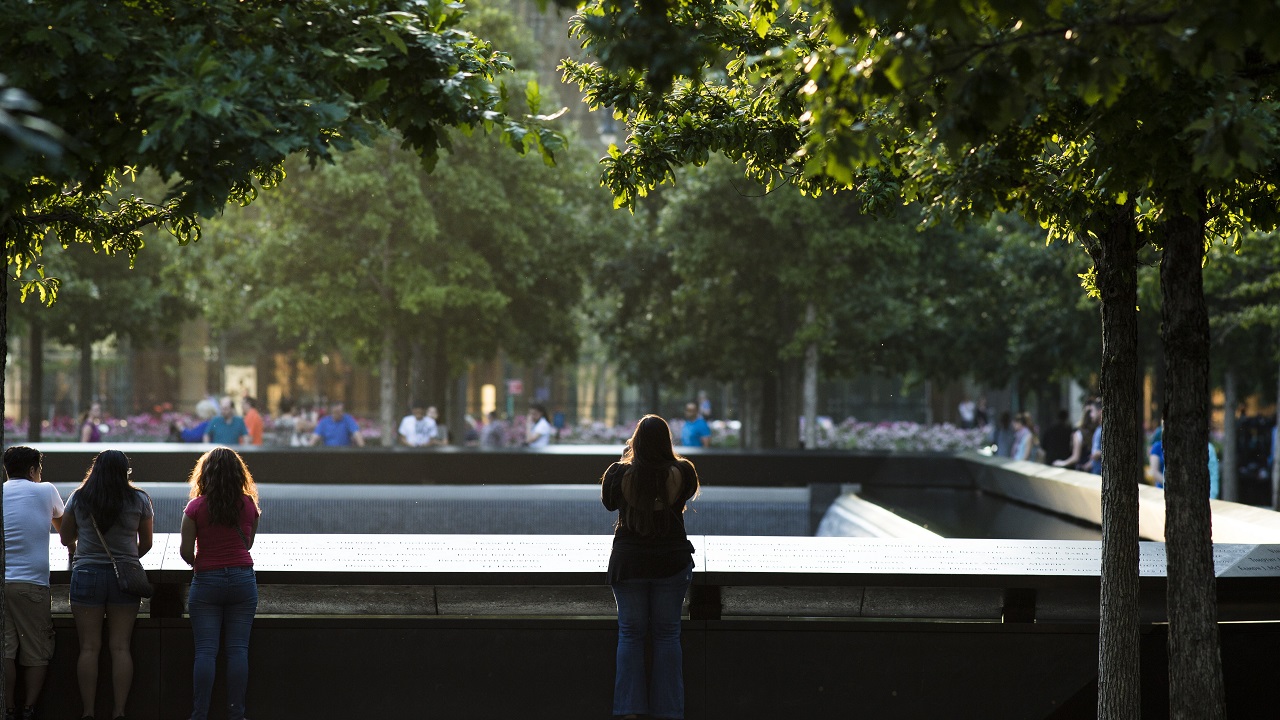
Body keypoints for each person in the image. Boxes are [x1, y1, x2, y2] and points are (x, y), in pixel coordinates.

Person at [600, 415, 700, 720]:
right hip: (671, 562)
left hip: (629, 563)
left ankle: (629, 710)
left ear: (636, 441)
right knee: (668, 634)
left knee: (630, 634)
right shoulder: (683, 472)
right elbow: (681, 496)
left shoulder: (618, 474)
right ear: (666, 441)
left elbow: (608, 503)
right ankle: (669, 711)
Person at [59, 449, 154, 720]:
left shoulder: (79, 497)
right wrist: (126, 559)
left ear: (96, 469)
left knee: (89, 647)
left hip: (87, 574)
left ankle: (88, 712)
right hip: (124, 579)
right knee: (121, 647)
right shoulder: (139, 499)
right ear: (126, 471)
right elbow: (145, 543)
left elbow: (66, 537)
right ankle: (119, 711)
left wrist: (82, 547)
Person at [180, 447, 261, 720]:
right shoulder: (249, 505)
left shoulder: (195, 507)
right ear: (239, 474)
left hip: (207, 581)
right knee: (238, 650)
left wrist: (202, 562)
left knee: (205, 650)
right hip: (242, 579)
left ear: (206, 474)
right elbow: (247, 543)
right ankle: (236, 714)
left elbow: (185, 552)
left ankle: (199, 714)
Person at [3, 446, 64, 720]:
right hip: (32, 585)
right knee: (37, 651)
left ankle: (6, 708)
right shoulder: (45, 490)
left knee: (5, 651)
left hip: (3, 582)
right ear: (32, 470)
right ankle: (28, 710)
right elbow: (66, 533)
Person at [1053, 407, 1096, 471]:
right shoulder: (1098, 431)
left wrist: (1062, 463)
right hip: (1095, 469)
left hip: (1082, 469)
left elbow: (1076, 457)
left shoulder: (1079, 434)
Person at [1090, 403, 1104, 475]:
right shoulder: (1098, 429)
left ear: (1099, 411)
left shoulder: (1105, 430)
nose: (1091, 415)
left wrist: (1099, 453)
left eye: (1092, 411)